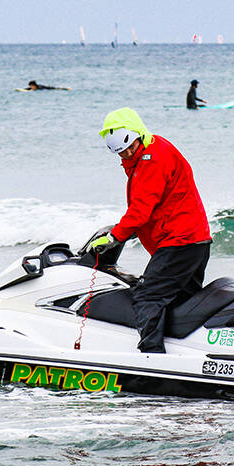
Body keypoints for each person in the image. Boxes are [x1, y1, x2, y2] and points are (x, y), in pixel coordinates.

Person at [89, 108, 212, 353]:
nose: (127, 153)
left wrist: (115, 237)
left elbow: (141, 209)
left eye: (130, 147)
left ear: (138, 134)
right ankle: (184, 354)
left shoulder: (151, 160)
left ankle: (151, 356)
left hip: (180, 242)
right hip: (194, 241)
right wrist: (130, 230)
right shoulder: (156, 147)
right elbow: (158, 203)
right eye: (120, 151)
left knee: (147, 297)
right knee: (181, 301)